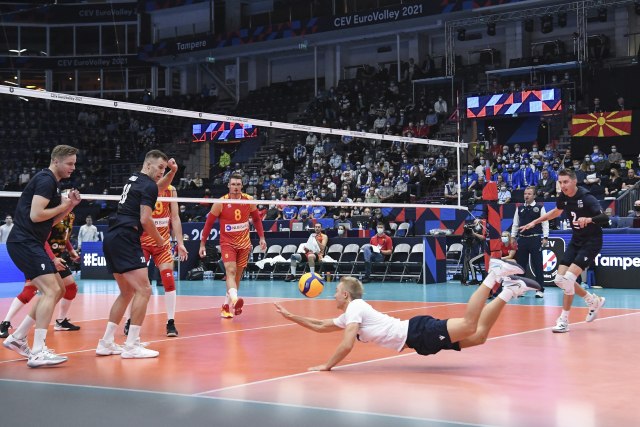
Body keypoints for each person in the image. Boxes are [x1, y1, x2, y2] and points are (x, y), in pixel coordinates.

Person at [274, 260, 539, 371]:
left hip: (418, 332)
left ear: (345, 295)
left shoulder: (355, 308)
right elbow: (321, 325)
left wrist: (327, 365)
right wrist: (291, 316)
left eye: (336, 291)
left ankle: (493, 274)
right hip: (418, 340)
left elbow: (346, 345)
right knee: (478, 336)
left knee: (470, 325)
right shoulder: (350, 314)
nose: (333, 295)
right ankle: (510, 290)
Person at [2, 145, 81, 368]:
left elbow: (49, 221)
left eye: (74, 163)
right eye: (69, 163)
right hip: (24, 243)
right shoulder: (46, 180)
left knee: (59, 288)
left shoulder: (52, 183)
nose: (73, 168)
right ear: (56, 161)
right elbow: (36, 215)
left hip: (31, 242)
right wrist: (63, 204)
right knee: (52, 290)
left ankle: (18, 337)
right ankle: (37, 352)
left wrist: (69, 206)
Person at [96, 150, 177, 359]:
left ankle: (106, 343)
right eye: (160, 167)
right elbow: (145, 219)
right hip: (126, 237)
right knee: (144, 289)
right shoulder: (147, 185)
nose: (162, 172)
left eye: (164, 169)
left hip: (112, 236)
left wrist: (172, 172)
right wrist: (160, 241)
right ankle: (131, 345)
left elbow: (158, 188)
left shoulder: (135, 179)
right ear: (148, 165)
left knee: (126, 292)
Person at [520, 169, 607, 332]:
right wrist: (535, 222)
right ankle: (592, 300)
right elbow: (556, 212)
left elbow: (605, 217)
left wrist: (589, 219)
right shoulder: (563, 197)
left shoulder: (587, 197)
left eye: (565, 182)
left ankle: (564, 320)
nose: (563, 185)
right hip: (576, 240)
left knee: (568, 278)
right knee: (559, 279)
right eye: (560, 182)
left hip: (591, 242)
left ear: (574, 181)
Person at [0, 211, 81, 338]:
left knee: (70, 287)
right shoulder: (53, 214)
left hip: (58, 259)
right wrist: (52, 258)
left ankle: (61, 321)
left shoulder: (71, 215)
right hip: (41, 256)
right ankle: (5, 323)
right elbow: (42, 239)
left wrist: (70, 250)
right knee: (30, 290)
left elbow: (65, 235)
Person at [198, 173, 267, 318]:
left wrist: (262, 237)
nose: (235, 187)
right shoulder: (220, 203)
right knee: (230, 271)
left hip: (244, 243)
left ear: (242, 186)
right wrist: (202, 244)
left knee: (237, 277)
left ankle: (226, 306)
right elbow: (208, 224)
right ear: (228, 185)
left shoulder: (249, 200)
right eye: (233, 184)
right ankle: (235, 301)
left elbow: (256, 219)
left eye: (238, 184)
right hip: (227, 243)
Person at [124, 184, 188, 337]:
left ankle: (170, 322)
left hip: (162, 243)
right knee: (135, 284)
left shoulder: (171, 190)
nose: (160, 174)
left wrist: (180, 243)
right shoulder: (143, 187)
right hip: (142, 243)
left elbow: (175, 217)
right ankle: (129, 320)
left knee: (168, 280)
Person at [511, 186, 549, 298]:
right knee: (521, 266)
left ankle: (540, 289)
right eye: (525, 194)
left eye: (529, 194)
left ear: (534, 195)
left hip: (535, 239)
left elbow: (545, 223)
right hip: (522, 239)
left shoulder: (540, 207)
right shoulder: (519, 208)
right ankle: (521, 289)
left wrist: (545, 237)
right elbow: (515, 223)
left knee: (537, 265)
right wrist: (513, 236)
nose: (526, 196)